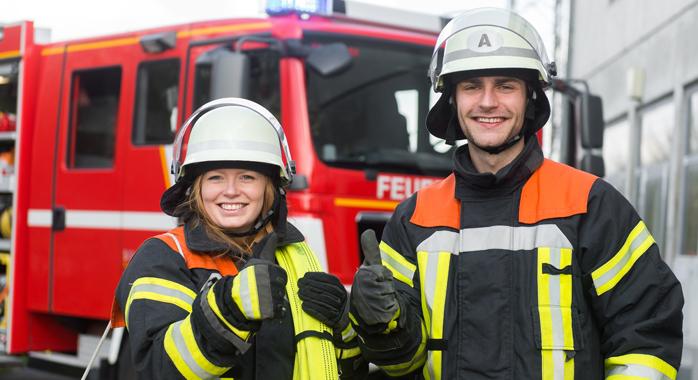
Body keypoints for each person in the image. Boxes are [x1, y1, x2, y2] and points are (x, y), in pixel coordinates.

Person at [348, 7, 683, 380]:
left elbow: (645, 339)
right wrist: (382, 326)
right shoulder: (414, 219)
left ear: (529, 98)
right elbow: (399, 365)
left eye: (505, 85)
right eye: (472, 86)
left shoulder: (590, 205)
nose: (488, 102)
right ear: (452, 100)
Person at [112, 98, 366, 379]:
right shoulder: (164, 257)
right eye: (216, 178)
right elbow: (158, 368)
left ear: (270, 188)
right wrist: (229, 310)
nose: (231, 191)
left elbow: (347, 371)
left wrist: (345, 327)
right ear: (195, 188)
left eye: (246, 177)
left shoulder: (297, 255)